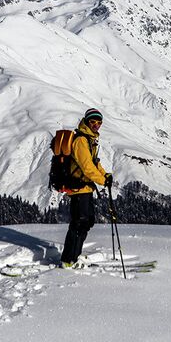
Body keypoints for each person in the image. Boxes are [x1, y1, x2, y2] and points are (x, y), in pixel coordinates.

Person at [59, 108, 113, 268]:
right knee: (79, 223)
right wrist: (103, 181)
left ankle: (74, 255)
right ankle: (68, 260)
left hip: (85, 188)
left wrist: (105, 175)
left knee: (87, 221)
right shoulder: (81, 141)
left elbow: (95, 163)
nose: (96, 125)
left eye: (99, 122)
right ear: (86, 122)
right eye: (93, 122)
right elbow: (87, 167)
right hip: (78, 188)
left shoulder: (90, 139)